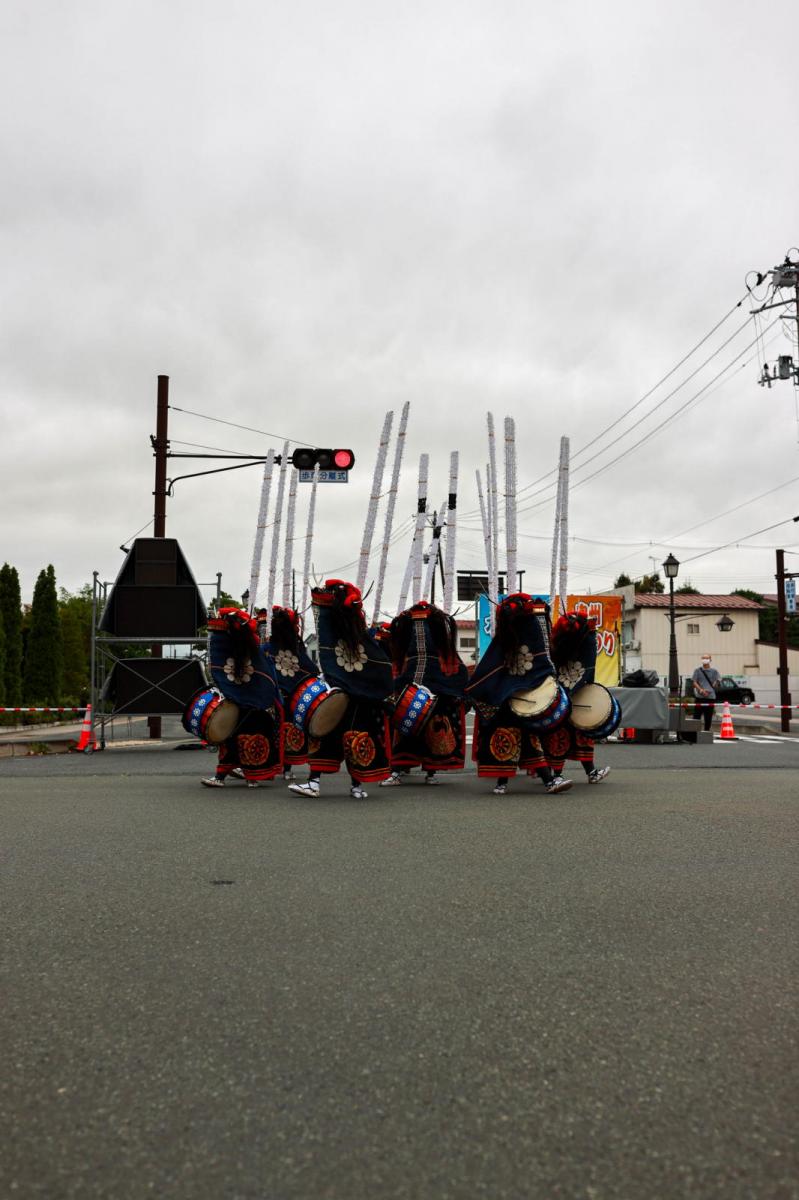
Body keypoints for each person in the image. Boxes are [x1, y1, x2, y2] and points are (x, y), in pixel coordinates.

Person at [287, 580, 394, 800]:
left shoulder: (354, 636)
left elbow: (378, 665)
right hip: (348, 697)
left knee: (342, 738)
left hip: (350, 699)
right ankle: (334, 785)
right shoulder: (355, 635)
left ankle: (331, 784)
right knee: (330, 736)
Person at [691, 652, 722, 732]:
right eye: (703, 658)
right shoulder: (697, 670)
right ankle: (694, 732)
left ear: (710, 660)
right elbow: (694, 682)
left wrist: (716, 682)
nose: (705, 660)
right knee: (696, 716)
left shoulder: (714, 671)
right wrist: (700, 690)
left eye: (707, 658)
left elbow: (718, 680)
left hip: (710, 697)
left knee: (708, 717)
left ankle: (706, 732)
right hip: (700, 697)